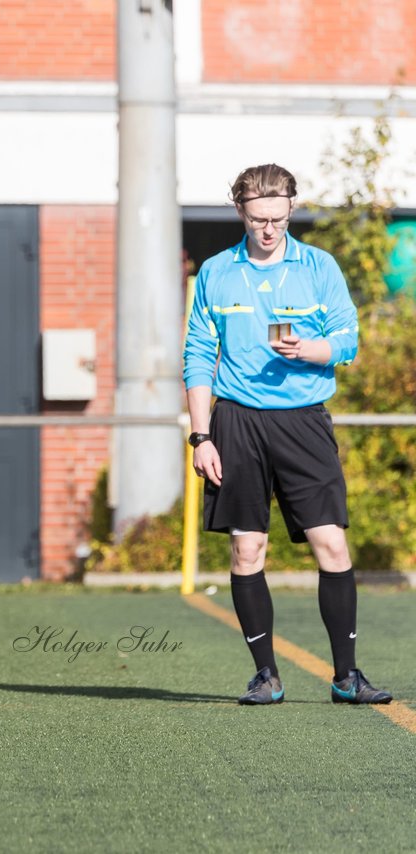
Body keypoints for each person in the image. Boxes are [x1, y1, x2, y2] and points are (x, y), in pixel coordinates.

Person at [183, 163, 392, 706]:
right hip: (235, 422)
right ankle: (266, 675)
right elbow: (200, 355)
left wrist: (310, 348)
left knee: (331, 542)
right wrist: (201, 436)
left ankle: (347, 676)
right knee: (246, 549)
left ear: (292, 209)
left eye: (277, 218)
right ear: (241, 213)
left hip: (303, 420)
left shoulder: (319, 267)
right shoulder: (216, 272)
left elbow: (348, 340)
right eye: (258, 219)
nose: (269, 229)